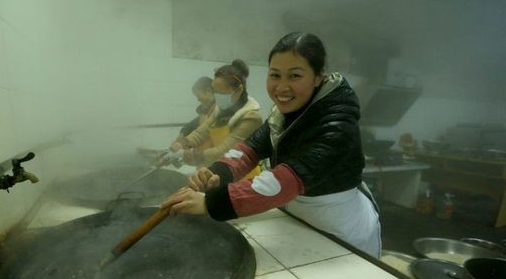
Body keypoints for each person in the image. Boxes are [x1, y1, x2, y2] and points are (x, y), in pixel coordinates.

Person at [160, 32, 382, 258]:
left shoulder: (336, 122)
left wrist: (210, 203)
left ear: (318, 76)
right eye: (275, 75)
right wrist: (216, 172)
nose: (282, 87)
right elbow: (248, 150)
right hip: (298, 216)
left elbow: (286, 180)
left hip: (341, 227)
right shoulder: (285, 114)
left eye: (294, 76)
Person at [170, 59, 263, 179]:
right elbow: (202, 132)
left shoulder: (250, 117)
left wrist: (192, 155)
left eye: (222, 93)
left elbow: (225, 151)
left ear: (239, 90)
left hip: (244, 178)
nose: (217, 97)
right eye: (215, 91)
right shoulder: (220, 111)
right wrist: (183, 143)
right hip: (223, 173)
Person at [171, 77, 216, 148]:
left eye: (198, 95)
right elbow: (196, 122)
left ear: (208, 91)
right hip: (203, 151)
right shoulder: (206, 110)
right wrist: (183, 132)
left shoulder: (219, 110)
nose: (198, 99)